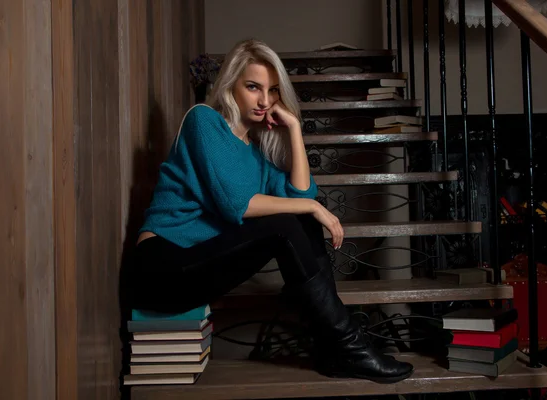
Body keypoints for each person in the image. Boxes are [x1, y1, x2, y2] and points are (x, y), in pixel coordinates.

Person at [130, 38, 414, 383]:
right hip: (163, 269)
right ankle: (349, 346)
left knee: (298, 218)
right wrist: (310, 206)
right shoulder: (203, 122)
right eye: (253, 87)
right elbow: (237, 204)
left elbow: (301, 192)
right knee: (286, 223)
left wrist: (294, 127)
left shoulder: (256, 156)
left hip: (200, 264)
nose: (265, 101)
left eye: (273, 91)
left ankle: (334, 350)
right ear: (230, 85)